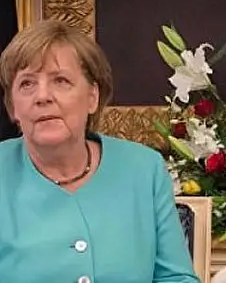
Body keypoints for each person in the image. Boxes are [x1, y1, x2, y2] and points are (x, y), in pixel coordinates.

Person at [0, 20, 200, 283]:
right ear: (13, 106)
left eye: (60, 81)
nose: (42, 96)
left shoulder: (144, 169)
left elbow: (175, 278)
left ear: (92, 97)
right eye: (27, 84)